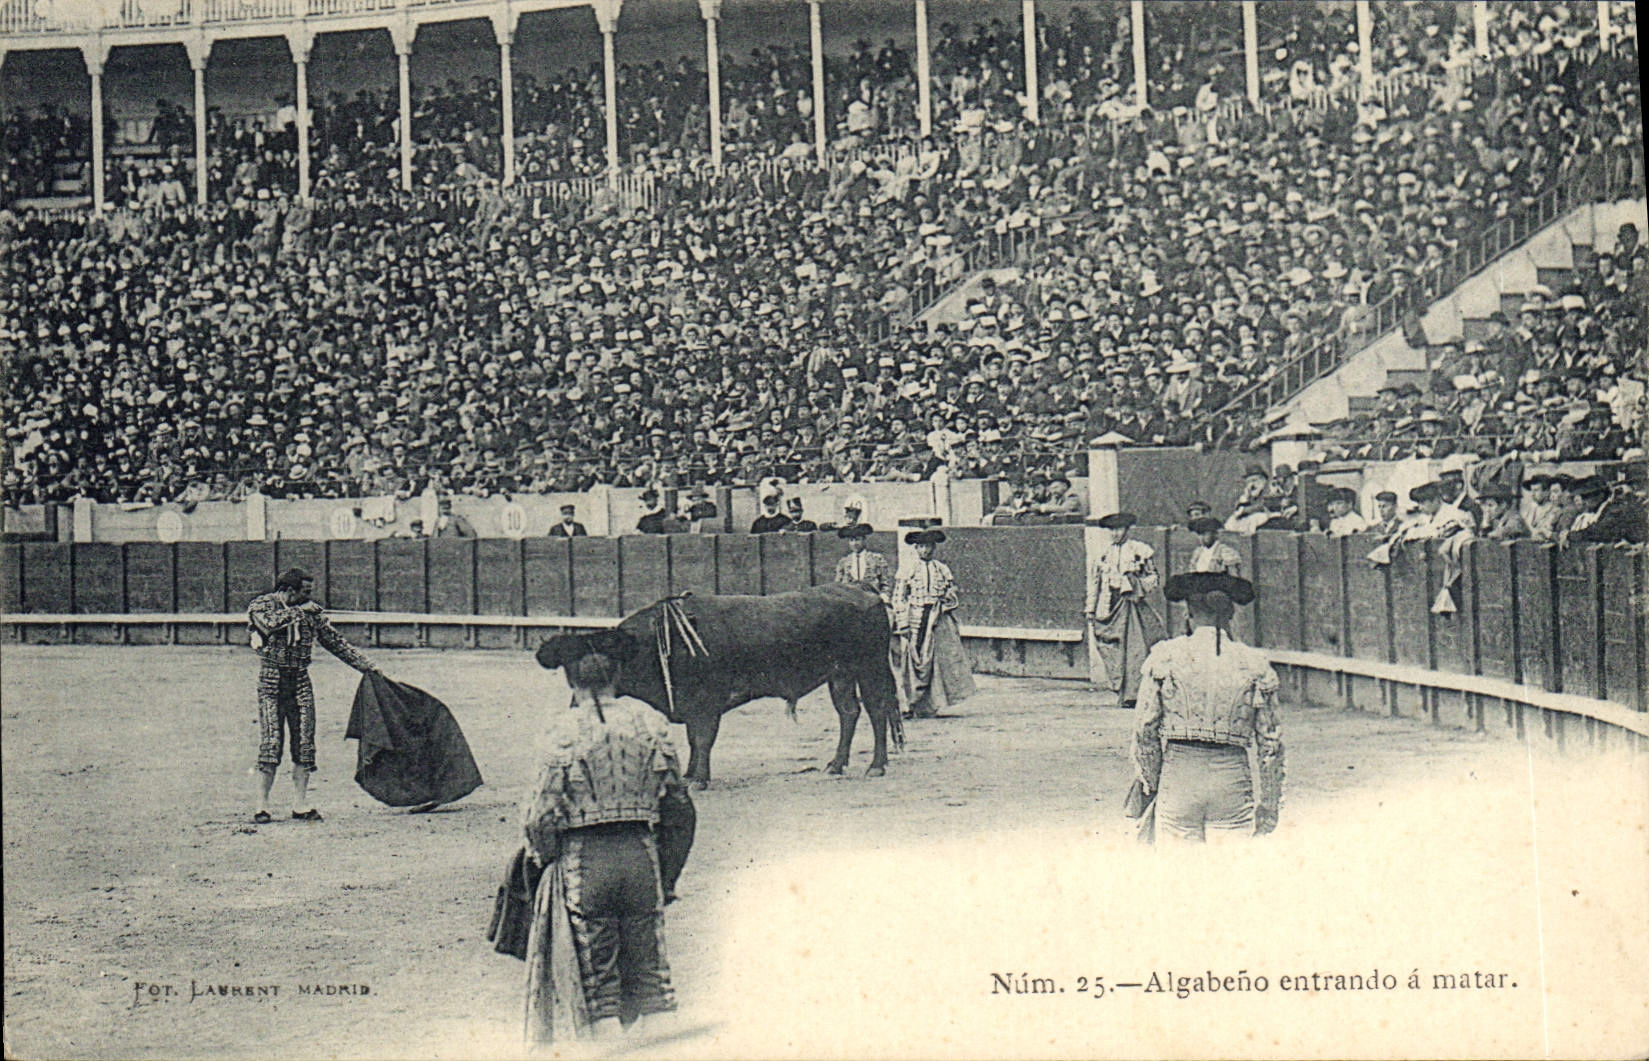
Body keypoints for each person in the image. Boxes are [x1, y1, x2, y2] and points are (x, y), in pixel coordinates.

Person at [521, 630, 694, 1046]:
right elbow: (681, 812)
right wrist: (666, 876)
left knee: (598, 988)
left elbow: (539, 818)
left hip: (585, 863)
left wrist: (547, 863)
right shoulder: (652, 722)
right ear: (619, 673)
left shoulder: (560, 729)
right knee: (654, 984)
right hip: (641, 857)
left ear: (569, 680)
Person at [1132, 572, 1284, 845]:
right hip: (1232, 778)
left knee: (1180, 878)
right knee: (1229, 876)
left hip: (1179, 775)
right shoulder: (1254, 663)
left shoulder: (1166, 655)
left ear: (1188, 615)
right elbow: (1271, 745)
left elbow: (1145, 730)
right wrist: (1269, 804)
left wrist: (1153, 783)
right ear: (1229, 617)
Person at [247, 568, 381, 824]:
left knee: (304, 744)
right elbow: (268, 624)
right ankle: (261, 806)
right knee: (271, 743)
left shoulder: (311, 612)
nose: (310, 596)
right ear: (289, 589)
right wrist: (301, 611)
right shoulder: (261, 605)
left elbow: (336, 643)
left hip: (299, 681)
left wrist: (367, 666)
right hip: (271, 682)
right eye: (305, 591)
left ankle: (300, 805)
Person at [1085, 513, 1165, 710]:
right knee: (1115, 648)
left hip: (1132, 604)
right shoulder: (1103, 553)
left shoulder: (1140, 551)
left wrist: (1135, 584)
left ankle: (1135, 693)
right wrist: (1090, 608)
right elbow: (1094, 583)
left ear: (1128, 530)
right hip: (1109, 603)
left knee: (1136, 647)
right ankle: (1123, 691)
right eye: (1112, 530)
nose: (1115, 533)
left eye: (1119, 529)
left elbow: (1153, 578)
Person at [893, 529, 975, 718]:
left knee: (936, 660)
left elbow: (953, 593)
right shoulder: (908, 568)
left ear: (934, 547)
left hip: (936, 618)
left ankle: (931, 704)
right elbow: (899, 597)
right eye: (922, 546)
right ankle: (910, 703)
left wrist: (947, 597)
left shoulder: (942, 568)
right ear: (916, 548)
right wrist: (903, 623)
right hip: (915, 616)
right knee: (914, 659)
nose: (926, 550)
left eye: (929, 546)